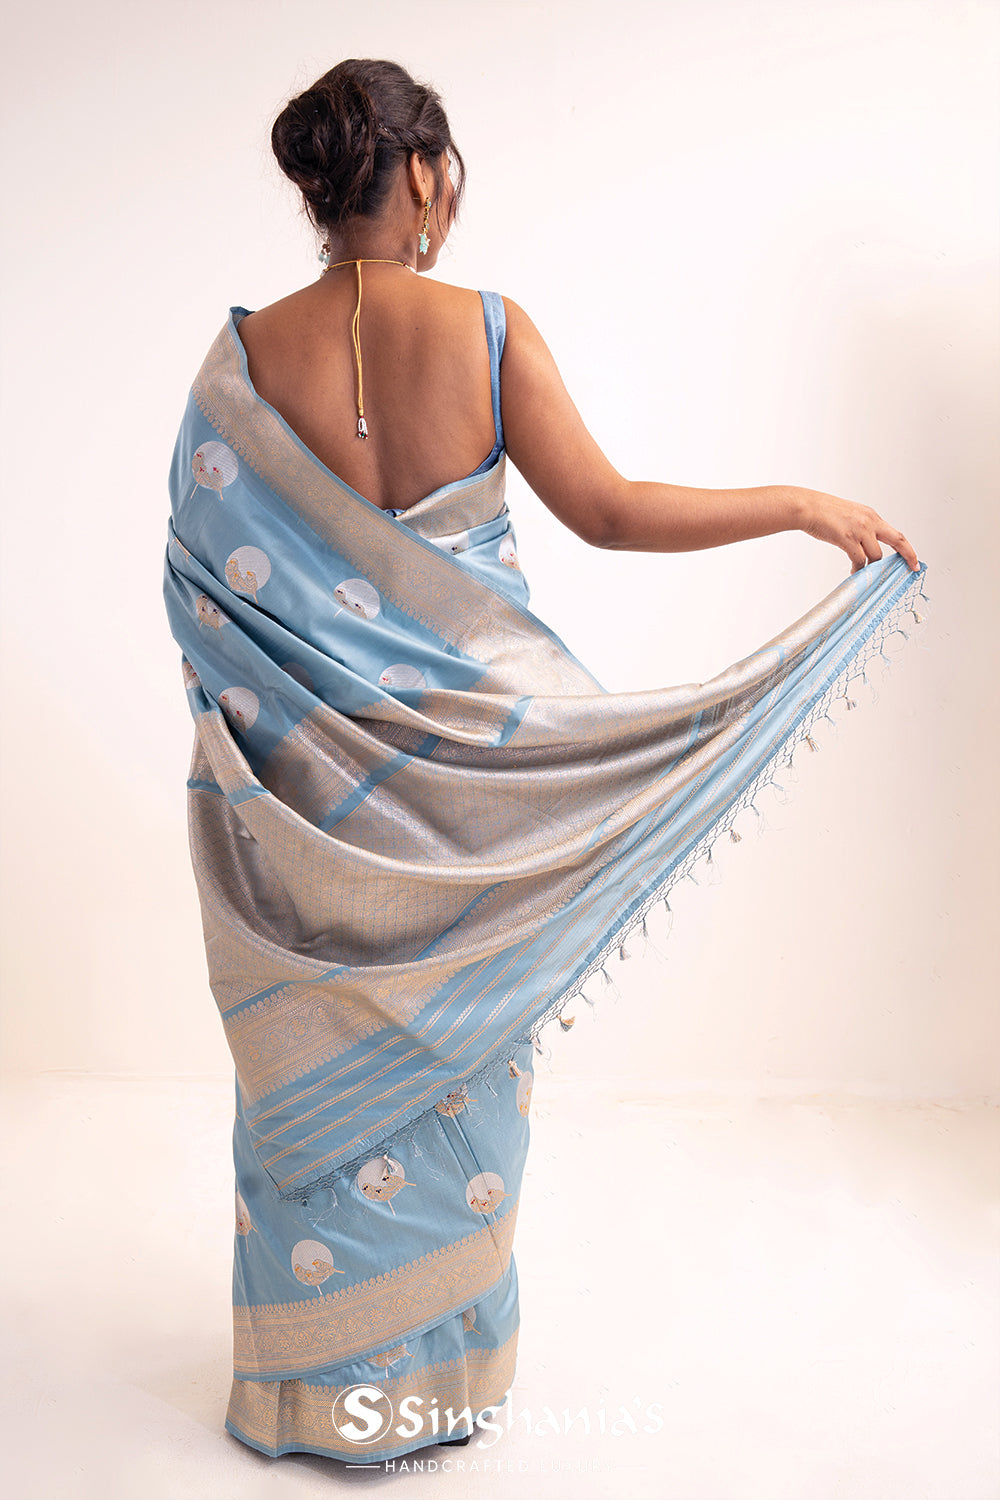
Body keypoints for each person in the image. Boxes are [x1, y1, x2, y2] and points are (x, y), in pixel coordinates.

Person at [162, 58, 926, 1468]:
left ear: (321, 185)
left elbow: (208, 603)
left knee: (316, 1087)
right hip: (481, 811)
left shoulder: (240, 365)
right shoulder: (487, 330)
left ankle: (317, 1402)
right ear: (427, 173)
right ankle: (434, 1396)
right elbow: (612, 513)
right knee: (460, 1074)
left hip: (313, 812)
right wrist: (803, 506)